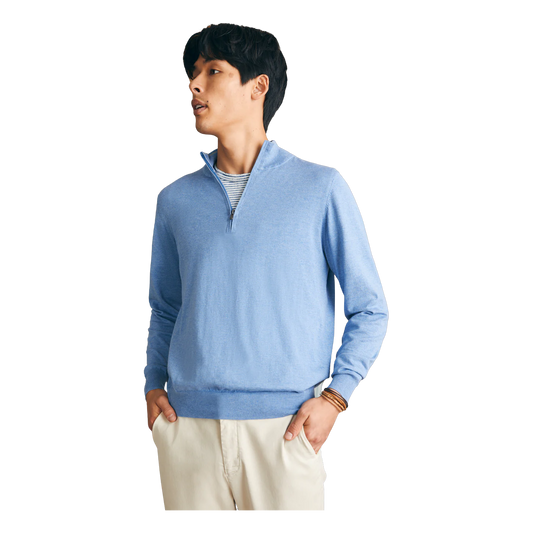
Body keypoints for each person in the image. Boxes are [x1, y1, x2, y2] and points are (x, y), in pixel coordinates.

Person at [142, 21, 391, 513]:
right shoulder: (173, 199)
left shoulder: (321, 187)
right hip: (186, 431)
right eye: (193, 72)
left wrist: (335, 399)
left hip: (286, 430)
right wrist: (151, 387)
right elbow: (164, 308)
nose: (194, 84)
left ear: (258, 86)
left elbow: (370, 309)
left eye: (213, 71)